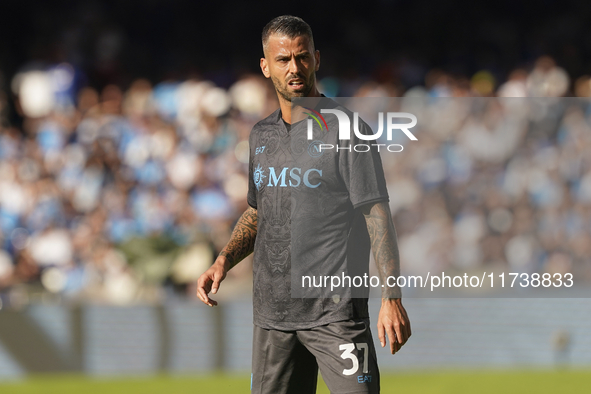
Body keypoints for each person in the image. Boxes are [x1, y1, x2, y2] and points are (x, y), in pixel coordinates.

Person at [197, 15, 411, 394]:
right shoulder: (261, 135)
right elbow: (259, 210)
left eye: (302, 57)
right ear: (265, 66)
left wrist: (390, 297)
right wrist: (223, 259)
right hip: (273, 318)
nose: (294, 68)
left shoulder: (348, 130)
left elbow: (376, 215)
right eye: (283, 59)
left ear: (316, 58)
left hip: (337, 315)